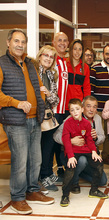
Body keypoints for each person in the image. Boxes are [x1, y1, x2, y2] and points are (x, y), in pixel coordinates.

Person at [0, 29, 54, 215]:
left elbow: (37, 84)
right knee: (20, 161)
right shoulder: (1, 63)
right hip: (16, 121)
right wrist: (16, 103)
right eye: (16, 41)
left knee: (35, 159)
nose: (20, 45)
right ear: (8, 42)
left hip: (34, 119)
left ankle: (32, 191)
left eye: (23, 42)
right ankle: (17, 197)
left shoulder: (30, 63)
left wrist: (42, 95)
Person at [53, 95, 106, 193]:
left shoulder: (97, 118)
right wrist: (70, 140)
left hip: (88, 153)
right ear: (82, 107)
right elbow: (56, 135)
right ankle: (74, 182)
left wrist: (96, 138)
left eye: (94, 107)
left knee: (102, 181)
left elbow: (102, 138)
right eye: (88, 106)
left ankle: (76, 174)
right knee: (81, 160)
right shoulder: (71, 118)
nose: (91, 109)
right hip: (72, 155)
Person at [34, 45, 60, 191]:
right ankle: (35, 179)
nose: (48, 59)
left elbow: (55, 100)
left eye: (51, 57)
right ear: (40, 56)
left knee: (47, 149)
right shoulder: (32, 72)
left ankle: (45, 176)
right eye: (46, 55)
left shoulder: (51, 75)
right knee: (35, 150)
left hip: (48, 117)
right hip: (34, 117)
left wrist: (48, 93)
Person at [52, 31, 69, 178]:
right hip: (52, 110)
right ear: (54, 42)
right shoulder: (52, 60)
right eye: (59, 40)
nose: (62, 43)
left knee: (60, 141)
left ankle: (61, 168)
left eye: (65, 41)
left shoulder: (65, 61)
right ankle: (45, 175)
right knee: (49, 144)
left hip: (63, 109)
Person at [65, 39, 91, 112]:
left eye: (80, 49)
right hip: (65, 104)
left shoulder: (85, 67)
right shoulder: (64, 64)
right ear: (71, 50)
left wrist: (86, 103)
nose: (77, 52)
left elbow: (86, 87)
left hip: (78, 105)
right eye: (75, 49)